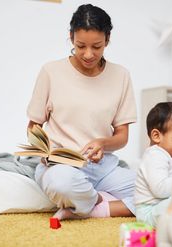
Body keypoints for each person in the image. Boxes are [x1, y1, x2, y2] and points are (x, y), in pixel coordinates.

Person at [26, 4, 137, 220]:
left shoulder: (121, 75)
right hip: (61, 167)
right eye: (80, 46)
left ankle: (96, 208)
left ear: (107, 39)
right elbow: (33, 126)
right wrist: (45, 152)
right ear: (71, 37)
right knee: (62, 184)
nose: (88, 54)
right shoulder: (51, 71)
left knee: (154, 191)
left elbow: (122, 137)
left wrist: (102, 143)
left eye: (96, 46)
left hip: (103, 167)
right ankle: (96, 199)